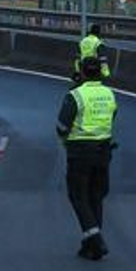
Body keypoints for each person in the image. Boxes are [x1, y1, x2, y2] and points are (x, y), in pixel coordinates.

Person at [56, 56, 117, 259]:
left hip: (80, 151)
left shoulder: (75, 95)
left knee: (78, 196)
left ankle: (97, 241)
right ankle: (89, 244)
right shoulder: (109, 94)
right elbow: (112, 116)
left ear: (81, 72)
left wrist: (65, 141)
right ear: (100, 71)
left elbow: (62, 126)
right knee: (96, 196)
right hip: (104, 150)